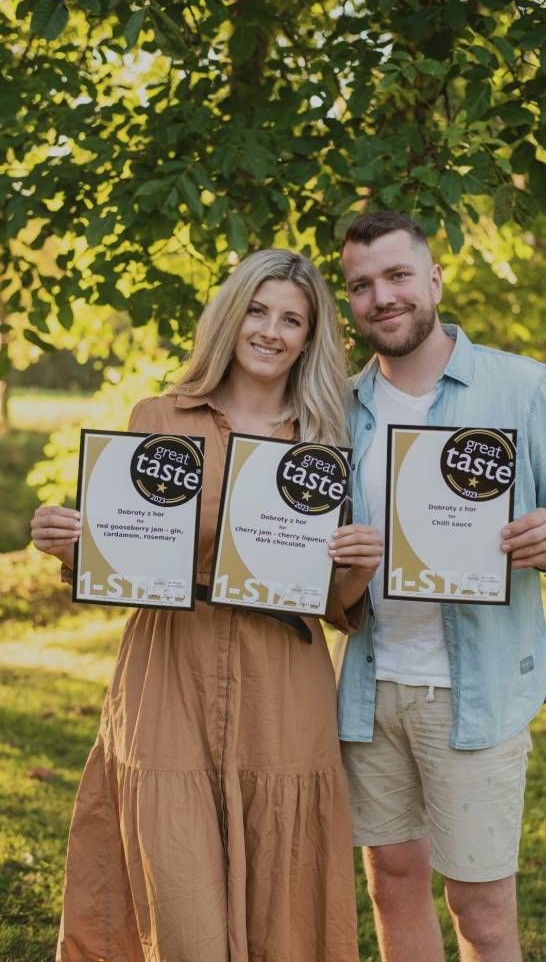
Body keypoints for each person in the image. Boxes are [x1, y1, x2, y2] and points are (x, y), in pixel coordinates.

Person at [31, 249, 383, 962]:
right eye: (257, 310)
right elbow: (124, 556)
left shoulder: (329, 438)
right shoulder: (160, 415)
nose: (271, 331)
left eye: (292, 320)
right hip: (169, 669)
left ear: (309, 339)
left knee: (282, 885)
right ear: (231, 317)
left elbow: (333, 603)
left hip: (283, 681)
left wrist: (357, 568)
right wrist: (72, 545)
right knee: (175, 877)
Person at [335, 212, 546, 962]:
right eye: (361, 285)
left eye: (397, 275)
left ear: (435, 280)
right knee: (392, 884)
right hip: (370, 688)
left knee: (481, 911)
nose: (381, 297)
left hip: (474, 690)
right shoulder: (341, 405)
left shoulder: (521, 385)